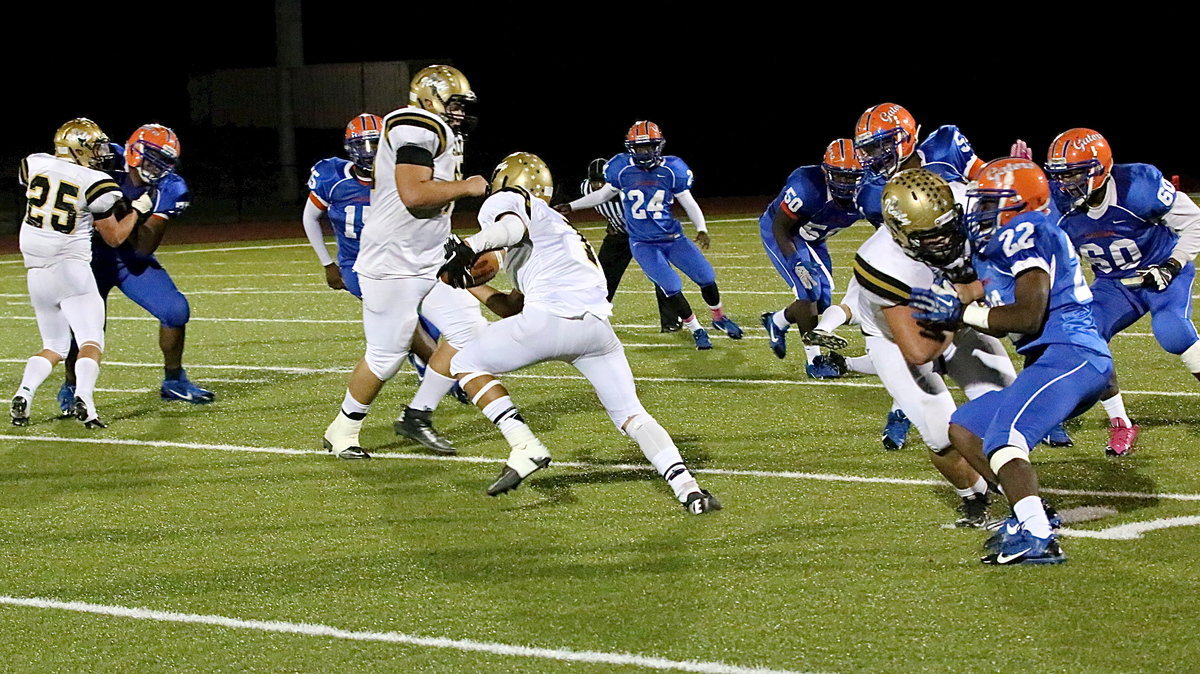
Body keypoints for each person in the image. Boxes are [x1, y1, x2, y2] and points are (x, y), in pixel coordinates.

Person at [438, 152, 720, 513]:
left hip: (550, 322)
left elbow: (510, 228)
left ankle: (524, 444)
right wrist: (469, 285)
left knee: (464, 363)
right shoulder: (555, 229)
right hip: (596, 332)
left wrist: (471, 245)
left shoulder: (507, 202)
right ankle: (690, 490)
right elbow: (511, 307)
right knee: (633, 416)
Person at [910, 158, 1114, 565]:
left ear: (1019, 204)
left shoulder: (1028, 230)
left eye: (993, 202)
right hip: (1052, 360)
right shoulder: (1002, 243)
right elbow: (1005, 320)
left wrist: (959, 314)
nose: (982, 210)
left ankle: (1039, 539)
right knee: (966, 428)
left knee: (1005, 438)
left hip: (1072, 355)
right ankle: (1030, 513)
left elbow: (1028, 316)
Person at [322, 64, 488, 460]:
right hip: (392, 262)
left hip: (427, 258)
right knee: (387, 354)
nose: (460, 113)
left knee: (470, 333)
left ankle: (418, 415)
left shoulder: (439, 131)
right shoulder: (415, 124)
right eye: (455, 104)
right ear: (428, 99)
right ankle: (342, 430)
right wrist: (469, 186)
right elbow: (414, 195)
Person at [869, 168, 1022, 525]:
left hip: (956, 317)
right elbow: (919, 351)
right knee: (940, 435)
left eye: (946, 227)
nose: (943, 239)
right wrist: (963, 299)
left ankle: (1019, 496)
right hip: (897, 337)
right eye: (929, 235)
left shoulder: (970, 206)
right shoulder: (883, 261)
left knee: (1007, 410)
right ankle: (973, 495)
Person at [1044, 129, 1200, 456]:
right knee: (1083, 336)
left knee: (1172, 332)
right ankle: (1121, 424)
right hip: (1114, 283)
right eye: (1060, 176)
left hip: (1159, 270)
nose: (1064, 184)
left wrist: (1172, 264)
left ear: (1098, 170)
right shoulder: (1060, 207)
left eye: (1072, 174)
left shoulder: (1138, 187)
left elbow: (1195, 222)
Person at [56, 124, 214, 408]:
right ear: (134, 150)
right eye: (152, 157)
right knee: (83, 328)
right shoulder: (104, 159)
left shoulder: (171, 187)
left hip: (128, 257)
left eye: (164, 161)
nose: (156, 167)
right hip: (87, 256)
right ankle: (71, 386)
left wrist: (128, 209)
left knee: (175, 310)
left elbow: (144, 246)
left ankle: (174, 381)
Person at [12, 118, 150, 428]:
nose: (100, 152)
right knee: (91, 341)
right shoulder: (95, 182)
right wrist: (139, 211)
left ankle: (25, 392)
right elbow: (113, 236)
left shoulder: (35, 164)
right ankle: (85, 401)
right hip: (71, 270)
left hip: (36, 273)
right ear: (78, 148)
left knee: (55, 346)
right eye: (95, 146)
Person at [558, 121, 741, 350]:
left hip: (673, 238)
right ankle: (697, 329)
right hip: (643, 243)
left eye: (649, 146)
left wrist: (701, 228)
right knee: (671, 286)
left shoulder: (673, 169)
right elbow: (603, 195)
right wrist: (572, 207)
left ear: (659, 145)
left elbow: (689, 203)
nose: (644, 152)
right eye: (639, 147)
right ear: (631, 148)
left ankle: (719, 317)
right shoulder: (622, 169)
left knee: (706, 276)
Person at [758, 139, 863, 377]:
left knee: (823, 301)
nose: (846, 183)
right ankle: (814, 361)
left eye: (852, 177)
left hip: (813, 237)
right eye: (840, 176)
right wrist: (796, 262)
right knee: (809, 291)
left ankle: (777, 321)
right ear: (826, 172)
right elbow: (780, 227)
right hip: (782, 232)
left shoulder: (868, 192)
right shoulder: (806, 187)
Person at [579, 157, 679, 331]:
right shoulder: (585, 189)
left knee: (661, 276)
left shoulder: (629, 188)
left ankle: (671, 321)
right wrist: (614, 223)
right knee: (601, 278)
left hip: (644, 236)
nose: (597, 186)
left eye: (601, 181)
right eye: (594, 181)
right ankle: (596, 318)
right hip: (618, 236)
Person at [303, 113, 381, 298]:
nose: (369, 151)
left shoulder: (401, 177)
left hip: (397, 261)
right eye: (361, 145)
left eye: (376, 144)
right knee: (393, 315)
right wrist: (328, 264)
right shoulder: (333, 178)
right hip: (355, 263)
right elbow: (309, 217)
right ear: (350, 147)